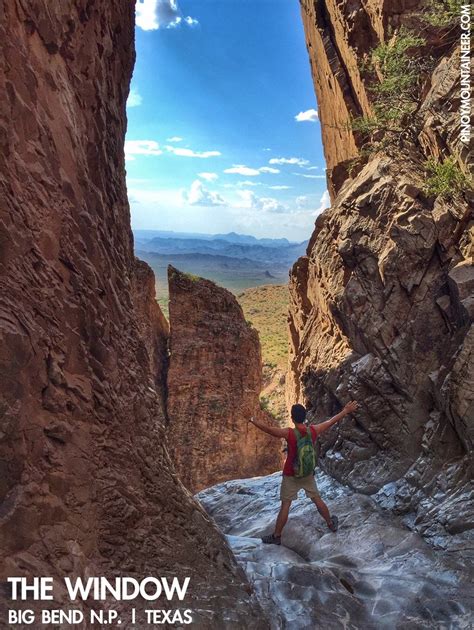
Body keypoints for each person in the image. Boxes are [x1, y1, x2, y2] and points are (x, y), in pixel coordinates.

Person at [248, 400, 359, 545]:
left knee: (285, 505)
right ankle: (331, 523)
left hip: (291, 474)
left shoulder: (289, 433)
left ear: (292, 418)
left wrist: (252, 420)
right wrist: (346, 411)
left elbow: (269, 430)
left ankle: (276, 536)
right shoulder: (313, 430)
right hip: (307, 472)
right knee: (317, 499)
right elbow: (331, 421)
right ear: (305, 417)